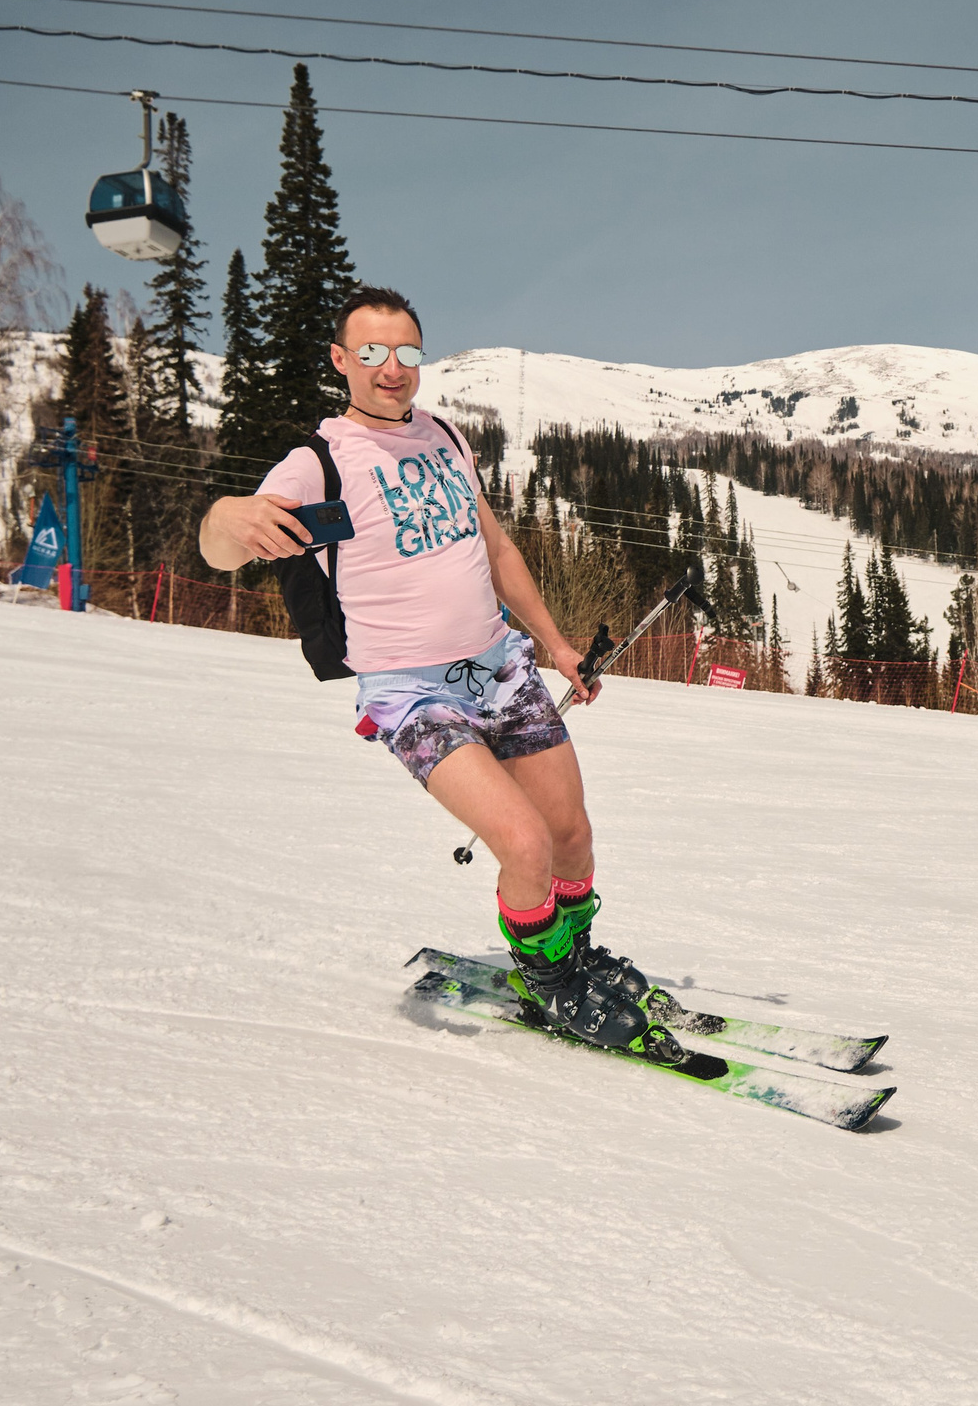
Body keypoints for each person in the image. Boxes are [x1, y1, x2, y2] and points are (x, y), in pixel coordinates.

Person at [198, 285, 655, 1051]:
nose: (390, 369)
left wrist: (557, 643)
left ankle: (575, 953)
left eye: (406, 352)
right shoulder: (319, 460)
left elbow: (497, 549)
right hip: (412, 694)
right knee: (525, 843)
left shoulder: (445, 435)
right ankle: (547, 980)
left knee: (572, 836)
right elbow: (221, 541)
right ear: (342, 360)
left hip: (502, 668)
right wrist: (229, 518)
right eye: (371, 353)